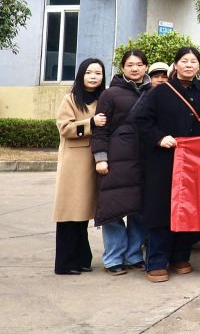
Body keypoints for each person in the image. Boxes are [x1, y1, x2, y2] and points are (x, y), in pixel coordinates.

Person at [136, 46, 200, 282]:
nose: (189, 65)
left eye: (193, 61)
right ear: (176, 64)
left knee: (189, 208)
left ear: (199, 66)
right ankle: (157, 261)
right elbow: (142, 121)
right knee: (161, 210)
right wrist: (159, 138)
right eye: (184, 61)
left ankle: (181, 256)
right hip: (164, 161)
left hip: (193, 163)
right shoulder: (160, 92)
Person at [92, 50, 149, 276]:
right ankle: (114, 258)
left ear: (146, 67)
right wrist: (101, 158)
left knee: (139, 211)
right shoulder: (109, 94)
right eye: (130, 64)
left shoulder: (152, 92)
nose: (135, 68)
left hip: (143, 161)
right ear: (122, 68)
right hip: (116, 161)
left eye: (139, 64)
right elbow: (100, 130)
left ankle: (134, 255)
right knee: (113, 211)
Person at [53, 58, 106, 275]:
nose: (93, 77)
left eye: (98, 73)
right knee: (69, 213)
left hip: (94, 160)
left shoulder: (104, 98)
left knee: (83, 213)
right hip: (74, 163)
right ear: (81, 75)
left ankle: (82, 258)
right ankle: (65, 263)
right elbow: (64, 128)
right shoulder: (71, 99)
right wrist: (91, 123)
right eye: (89, 73)